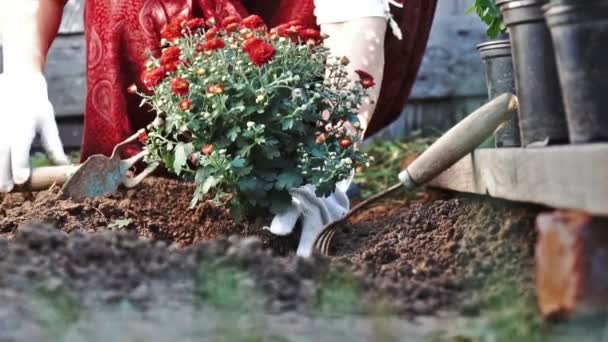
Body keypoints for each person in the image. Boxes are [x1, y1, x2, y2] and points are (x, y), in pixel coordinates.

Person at [0, 0, 436, 256]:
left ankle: (288, 181)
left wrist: (330, 152)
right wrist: (21, 71)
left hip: (309, 29)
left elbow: (355, 24)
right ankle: (150, 193)